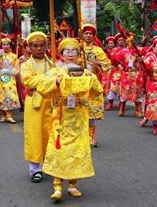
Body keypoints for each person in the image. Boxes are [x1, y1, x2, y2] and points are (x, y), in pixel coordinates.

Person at [38, 38, 103, 201]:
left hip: (79, 117)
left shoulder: (85, 72)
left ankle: (73, 184)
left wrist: (90, 78)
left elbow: (97, 90)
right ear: (61, 54)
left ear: (79, 54)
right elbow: (42, 88)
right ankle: (57, 185)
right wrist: (56, 82)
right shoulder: (56, 71)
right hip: (60, 116)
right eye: (67, 51)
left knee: (77, 150)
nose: (70, 54)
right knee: (59, 148)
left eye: (74, 51)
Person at [20, 32, 54, 183]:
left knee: (51, 134)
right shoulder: (26, 65)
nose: (39, 49)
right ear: (29, 48)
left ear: (46, 46)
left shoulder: (52, 63)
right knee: (34, 136)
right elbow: (28, 81)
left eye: (42, 45)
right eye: (35, 46)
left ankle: (50, 165)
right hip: (34, 103)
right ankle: (35, 169)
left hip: (52, 103)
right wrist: (48, 79)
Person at [81, 24, 111, 147]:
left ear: (93, 37)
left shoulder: (98, 50)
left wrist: (98, 63)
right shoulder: (77, 48)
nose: (88, 36)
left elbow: (107, 65)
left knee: (91, 112)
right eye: (86, 33)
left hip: (92, 84)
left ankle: (91, 136)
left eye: (90, 34)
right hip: (78, 84)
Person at [0, 37, 20, 123]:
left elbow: (16, 67)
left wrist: (11, 72)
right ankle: (3, 115)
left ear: (9, 45)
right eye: (4, 44)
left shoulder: (14, 56)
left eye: (7, 44)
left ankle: (9, 115)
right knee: (1, 95)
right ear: (2, 45)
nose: (5, 46)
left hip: (10, 76)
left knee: (10, 94)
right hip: (0, 76)